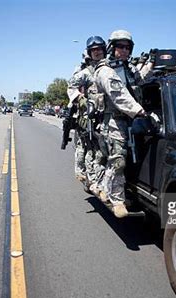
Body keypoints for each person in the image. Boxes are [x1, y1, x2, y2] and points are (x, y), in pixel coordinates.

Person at [94, 29, 154, 218]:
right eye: (120, 46)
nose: (125, 50)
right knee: (118, 160)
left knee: (129, 161)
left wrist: (151, 62)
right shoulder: (106, 70)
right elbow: (119, 96)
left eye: (128, 47)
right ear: (112, 47)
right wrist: (140, 111)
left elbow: (139, 79)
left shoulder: (127, 67)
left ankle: (108, 188)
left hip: (131, 120)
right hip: (115, 120)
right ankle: (117, 201)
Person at [67, 36, 107, 187]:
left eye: (100, 49)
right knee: (85, 146)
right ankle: (86, 176)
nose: (97, 53)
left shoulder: (109, 69)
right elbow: (71, 86)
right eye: (93, 51)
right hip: (87, 116)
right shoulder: (84, 72)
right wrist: (80, 100)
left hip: (105, 116)